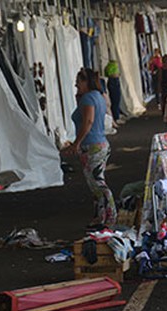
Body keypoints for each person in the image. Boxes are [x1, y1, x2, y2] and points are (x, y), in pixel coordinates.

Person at [62, 68, 117, 228]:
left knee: (97, 183)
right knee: (96, 183)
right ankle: (101, 216)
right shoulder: (97, 96)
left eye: (78, 81)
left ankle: (110, 214)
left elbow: (88, 122)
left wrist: (76, 143)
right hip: (99, 143)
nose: (76, 84)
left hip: (92, 145)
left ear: (86, 82)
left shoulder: (88, 98)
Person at [104, 59, 124, 125]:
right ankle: (116, 117)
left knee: (114, 99)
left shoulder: (107, 67)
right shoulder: (114, 66)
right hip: (114, 81)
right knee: (116, 99)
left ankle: (116, 115)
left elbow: (107, 74)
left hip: (111, 81)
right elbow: (113, 73)